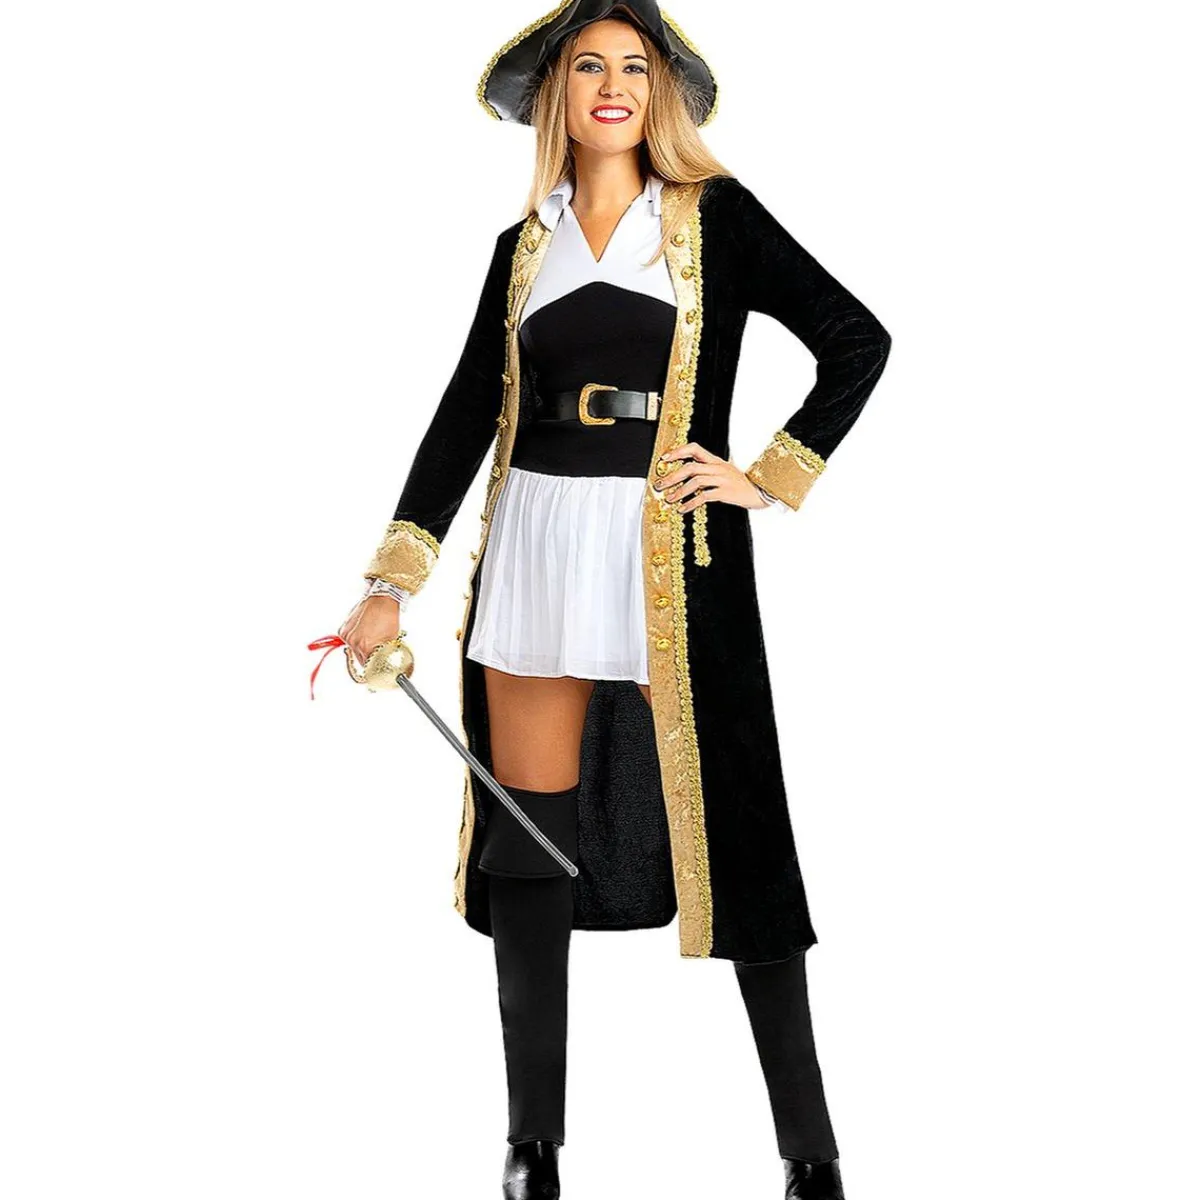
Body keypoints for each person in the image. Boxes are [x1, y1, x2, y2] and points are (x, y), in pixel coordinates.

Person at [335, 3, 891, 1197]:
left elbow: (857, 338)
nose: (613, 84)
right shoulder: (522, 244)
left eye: (635, 67)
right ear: (555, 91)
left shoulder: (716, 217)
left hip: (671, 559)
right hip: (534, 548)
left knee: (742, 838)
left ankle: (811, 1153)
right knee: (528, 846)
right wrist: (390, 583)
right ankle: (531, 1148)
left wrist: (768, 476)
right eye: (589, 63)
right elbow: (464, 413)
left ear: (661, 93)